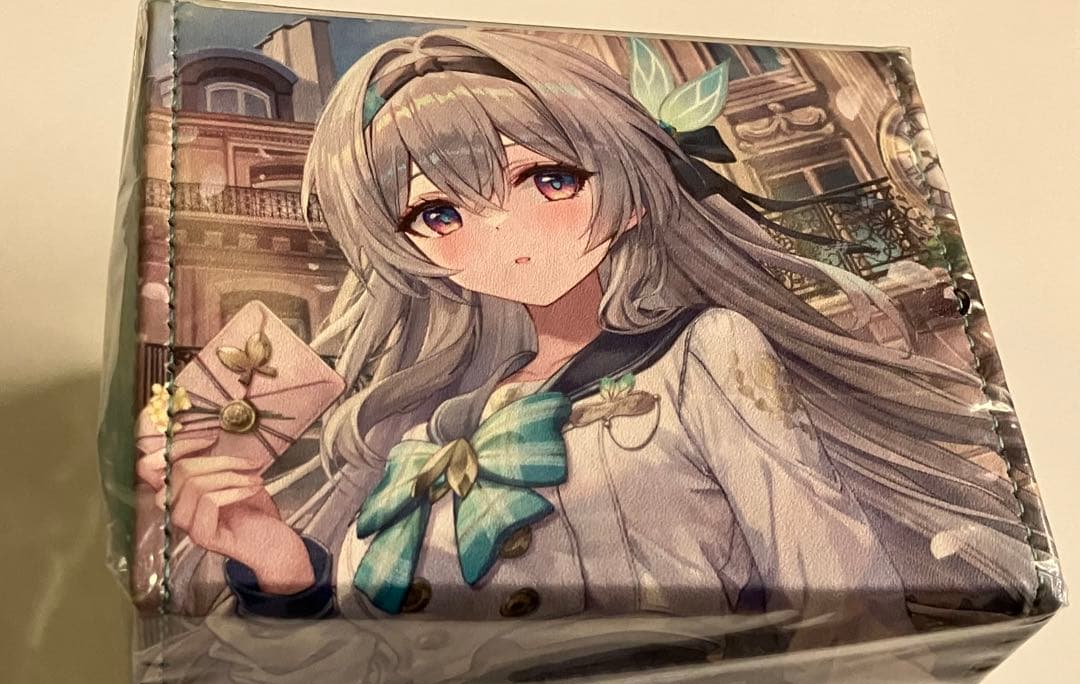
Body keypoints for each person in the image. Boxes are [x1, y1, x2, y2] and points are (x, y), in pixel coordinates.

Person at [138, 29, 1038, 642]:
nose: (501, 231)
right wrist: (278, 566)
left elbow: (838, 595)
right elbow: (362, 679)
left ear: (633, 188)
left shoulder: (704, 355)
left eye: (548, 180)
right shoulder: (427, 432)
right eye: (439, 213)